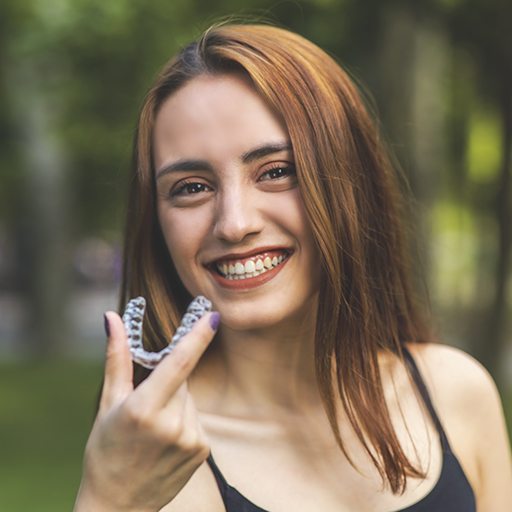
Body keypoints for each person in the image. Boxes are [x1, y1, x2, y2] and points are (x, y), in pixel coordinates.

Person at [74, 22, 512, 511]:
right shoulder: (163, 462)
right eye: (192, 187)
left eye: (277, 172)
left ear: (351, 183)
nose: (235, 223)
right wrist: (109, 499)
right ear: (155, 222)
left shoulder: (457, 393)